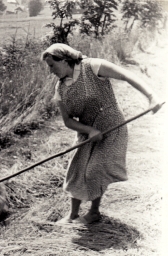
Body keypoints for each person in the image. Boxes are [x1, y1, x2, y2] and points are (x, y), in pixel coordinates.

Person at [42, 43, 161, 225]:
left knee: (94, 170)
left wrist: (151, 96)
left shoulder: (92, 66)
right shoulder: (60, 89)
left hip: (112, 127)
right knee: (77, 170)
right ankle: (73, 214)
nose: (50, 71)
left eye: (52, 65)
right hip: (87, 131)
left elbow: (127, 75)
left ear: (65, 60)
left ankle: (94, 212)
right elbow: (67, 121)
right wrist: (89, 130)